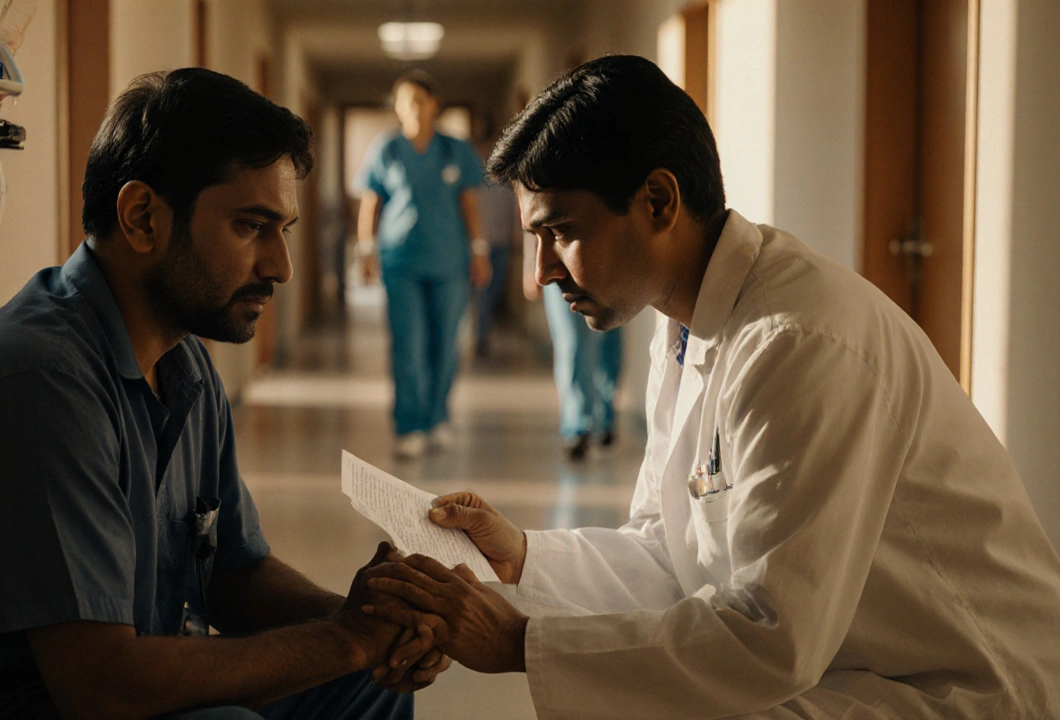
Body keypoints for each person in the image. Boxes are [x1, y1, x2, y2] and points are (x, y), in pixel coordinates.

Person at [359, 55, 1060, 719]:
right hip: (854, 668)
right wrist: (519, 555)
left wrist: (517, 643)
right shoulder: (694, 321)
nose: (541, 271)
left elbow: (769, 636)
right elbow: (668, 552)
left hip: (961, 688)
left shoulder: (798, 341)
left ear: (659, 201)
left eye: (562, 232)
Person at [0, 69, 447, 720]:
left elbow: (234, 576)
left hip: (99, 682)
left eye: (283, 231)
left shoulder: (185, 365)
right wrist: (340, 640)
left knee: (364, 681)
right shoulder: (35, 383)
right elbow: (101, 688)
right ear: (141, 218)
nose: (280, 268)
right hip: (7, 700)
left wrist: (367, 622)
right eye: (249, 227)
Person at [355, 69, 492, 459]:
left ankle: (437, 418)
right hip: (401, 262)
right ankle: (409, 425)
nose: (412, 107)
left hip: (449, 261)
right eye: (404, 100)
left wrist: (479, 251)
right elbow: (371, 204)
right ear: (396, 108)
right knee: (408, 346)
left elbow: (469, 203)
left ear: (435, 105)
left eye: (419, 99)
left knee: (445, 346)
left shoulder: (455, 150)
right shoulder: (387, 149)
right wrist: (366, 252)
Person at [524, 233, 624, 461]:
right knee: (572, 345)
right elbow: (533, 219)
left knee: (609, 345)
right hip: (561, 268)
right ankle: (578, 426)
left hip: (611, 264)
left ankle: (604, 417)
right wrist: (531, 266)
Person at [473, 136, 518, 359]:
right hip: (480, 248)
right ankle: (481, 336)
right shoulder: (474, 187)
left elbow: (515, 217)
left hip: (501, 246)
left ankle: (483, 332)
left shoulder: (506, 186)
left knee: (493, 292)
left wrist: (514, 240)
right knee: (483, 294)